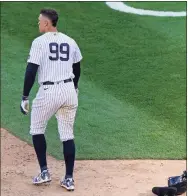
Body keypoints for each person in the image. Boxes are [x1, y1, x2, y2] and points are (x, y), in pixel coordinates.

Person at [20, 8, 82, 191]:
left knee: (37, 129)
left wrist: (25, 95)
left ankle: (45, 172)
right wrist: (75, 87)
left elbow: (31, 70)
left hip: (49, 91)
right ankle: (69, 178)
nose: (38, 23)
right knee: (67, 134)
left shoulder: (39, 42)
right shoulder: (70, 41)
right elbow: (77, 67)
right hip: (69, 90)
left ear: (47, 23)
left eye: (40, 21)